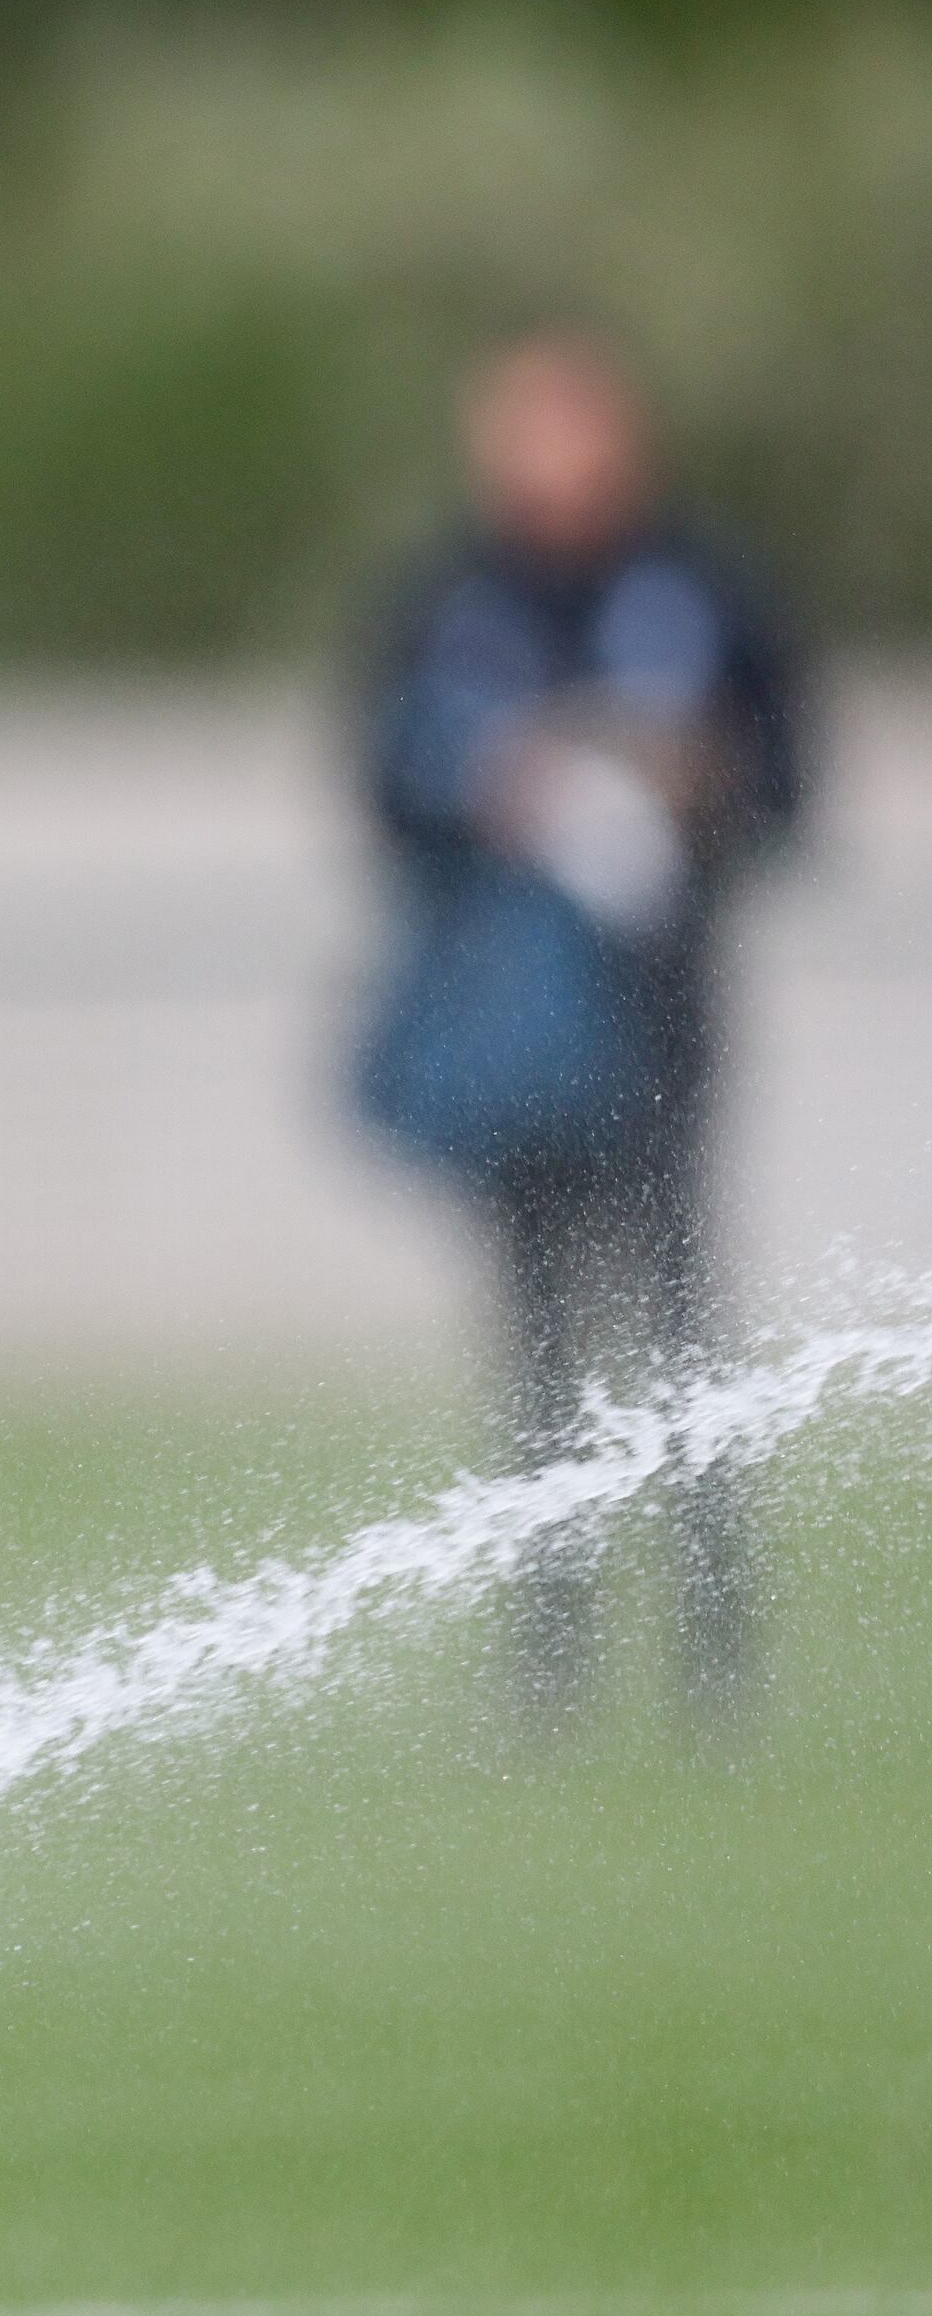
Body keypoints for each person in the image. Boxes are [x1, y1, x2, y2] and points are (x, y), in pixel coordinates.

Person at [357, 329, 810, 1721]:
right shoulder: (448, 597)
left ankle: (713, 1638)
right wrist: (492, 795)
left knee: (681, 1319)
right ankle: (550, 1644)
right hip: (517, 1021)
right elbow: (382, 782)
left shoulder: (701, 585)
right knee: (539, 1339)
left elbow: (787, 787)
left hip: (661, 1010)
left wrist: (689, 788)